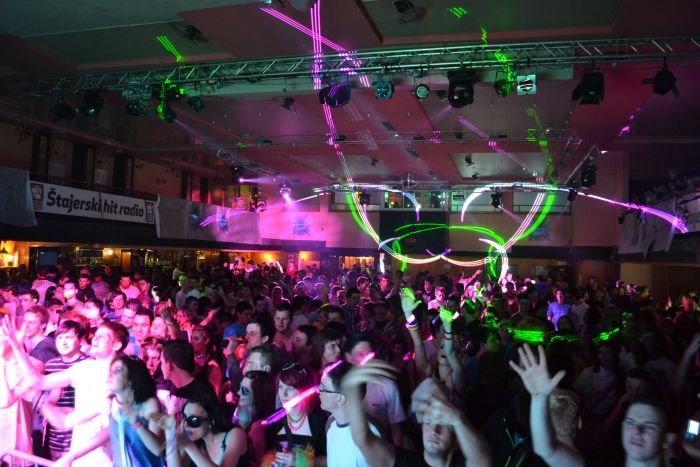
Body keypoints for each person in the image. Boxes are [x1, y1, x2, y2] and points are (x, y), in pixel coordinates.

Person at [8, 320, 129, 467]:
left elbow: (111, 428)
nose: (95, 339)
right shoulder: (85, 367)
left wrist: (72, 455)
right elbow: (39, 382)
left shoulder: (124, 376)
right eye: (95, 335)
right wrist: (18, 348)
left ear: (116, 345)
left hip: (108, 457)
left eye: (102, 336)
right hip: (80, 452)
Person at [341, 360, 491, 466]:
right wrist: (351, 392)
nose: (435, 430)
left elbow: (484, 460)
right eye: (428, 423)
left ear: (456, 432)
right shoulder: (408, 462)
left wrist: (459, 419)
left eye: (443, 424)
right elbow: (364, 440)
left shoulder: (463, 462)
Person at [509, 343, 585, 466]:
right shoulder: (519, 402)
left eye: (536, 364)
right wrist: (539, 397)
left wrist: (540, 397)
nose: (532, 371)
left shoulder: (565, 395)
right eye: (525, 366)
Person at [162, 384, 248, 466]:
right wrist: (170, 431)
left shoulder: (235, 434)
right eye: (184, 417)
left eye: (193, 420)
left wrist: (189, 446)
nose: (186, 425)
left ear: (211, 421)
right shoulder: (196, 441)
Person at [43, 320, 92, 460]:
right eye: (60, 338)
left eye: (69, 337)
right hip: (56, 431)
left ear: (80, 340)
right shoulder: (51, 365)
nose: (63, 342)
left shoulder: (89, 364)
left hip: (80, 428)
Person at [264, 362, 327, 466]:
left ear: (305, 389)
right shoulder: (274, 419)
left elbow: (334, 459)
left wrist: (303, 461)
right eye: (281, 387)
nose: (283, 394)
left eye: (290, 388)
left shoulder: (319, 420)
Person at [320, 360, 381, 467]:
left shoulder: (369, 437)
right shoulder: (331, 426)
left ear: (340, 399)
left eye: (323, 388)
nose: (318, 391)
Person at [107, 355, 164, 466]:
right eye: (110, 370)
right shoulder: (111, 403)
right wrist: (74, 454)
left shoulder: (149, 404)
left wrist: (137, 424)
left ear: (131, 379)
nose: (110, 374)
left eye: (117, 371)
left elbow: (158, 449)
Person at [236, 370, 276, 465]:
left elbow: (260, 463)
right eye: (240, 387)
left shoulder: (257, 427)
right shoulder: (243, 414)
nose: (238, 392)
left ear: (258, 395)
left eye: (245, 390)